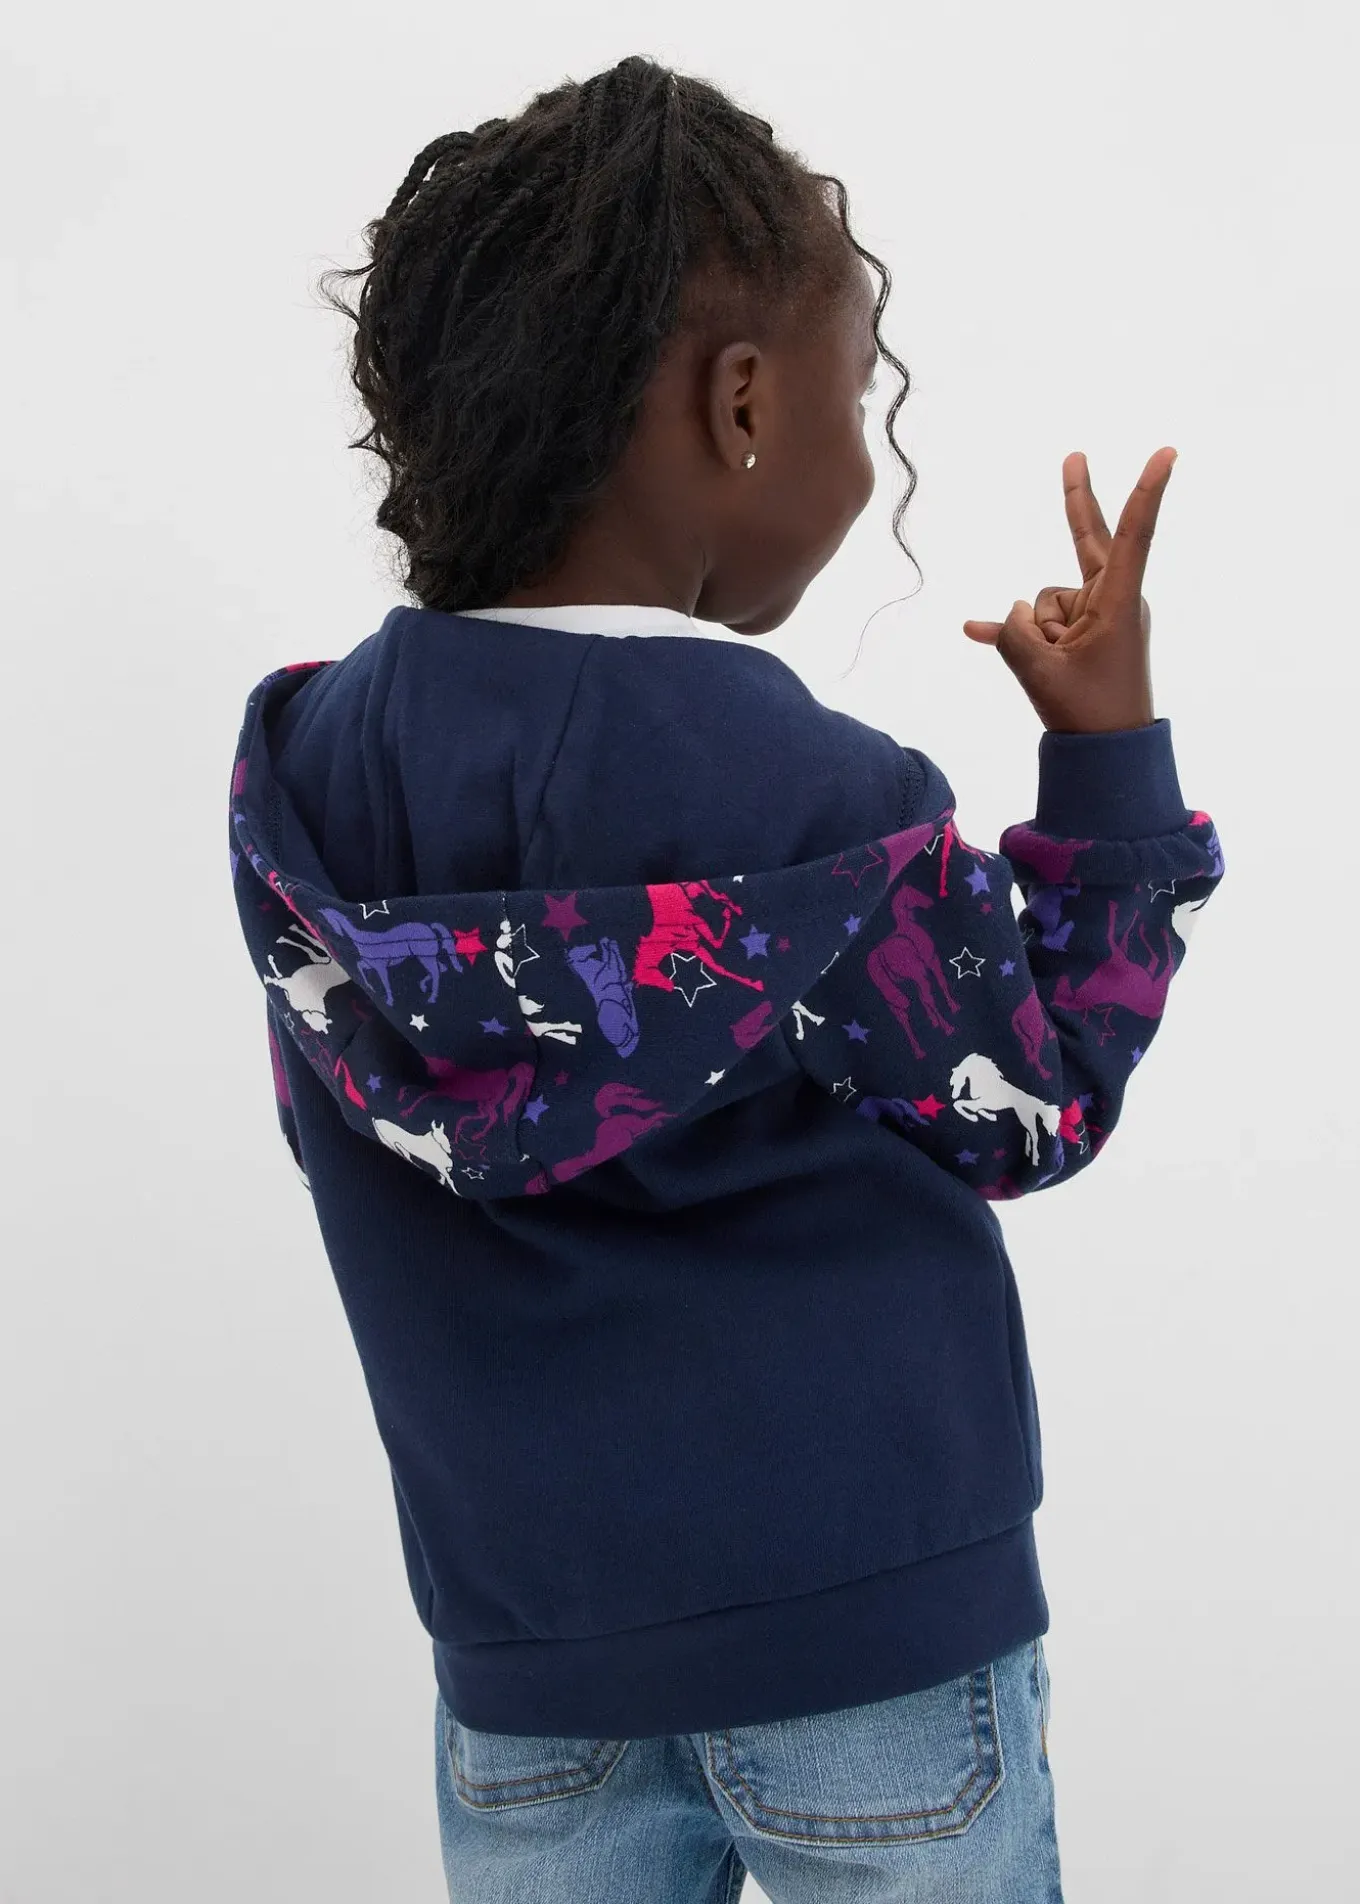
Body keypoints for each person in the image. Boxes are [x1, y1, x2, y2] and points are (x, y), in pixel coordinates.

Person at [226, 52, 1224, 1904]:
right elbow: (1036, 1104)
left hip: (527, 1658)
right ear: (743, 403)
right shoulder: (823, 804)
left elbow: (352, 1122)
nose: (871, 445)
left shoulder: (311, 773)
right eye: (865, 390)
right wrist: (1109, 764)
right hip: (875, 1635)